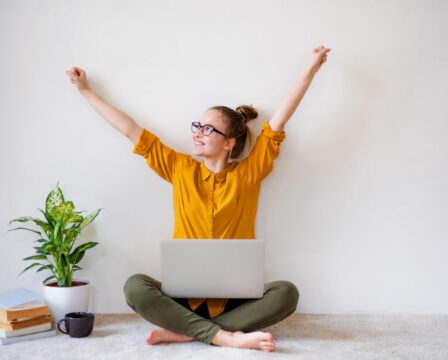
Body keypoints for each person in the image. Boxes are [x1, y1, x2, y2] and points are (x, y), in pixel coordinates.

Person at [66, 45, 330, 352]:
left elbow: (278, 122)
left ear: (229, 142)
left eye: (208, 128)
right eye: (197, 126)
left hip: (236, 302)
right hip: (183, 299)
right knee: (134, 287)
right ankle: (226, 336)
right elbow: (130, 129)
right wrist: (85, 91)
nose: (197, 133)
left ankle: (190, 332)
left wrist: (311, 69)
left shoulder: (249, 173)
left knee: (287, 293)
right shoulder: (179, 168)